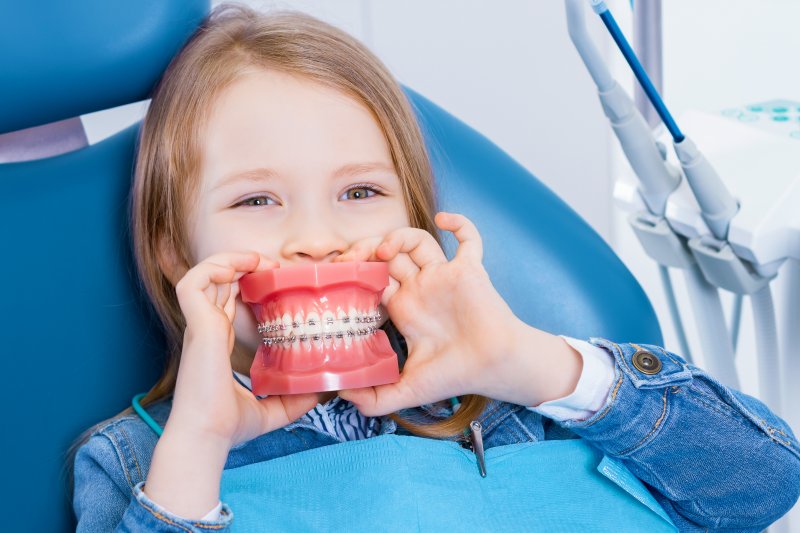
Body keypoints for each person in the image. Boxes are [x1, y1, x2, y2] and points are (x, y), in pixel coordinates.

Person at [70, 4, 800, 531]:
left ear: (412, 225)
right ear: (175, 252)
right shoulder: (139, 461)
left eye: (360, 192)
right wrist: (197, 441)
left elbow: (764, 486)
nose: (318, 239)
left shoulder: (520, 403)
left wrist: (534, 365)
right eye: (258, 199)